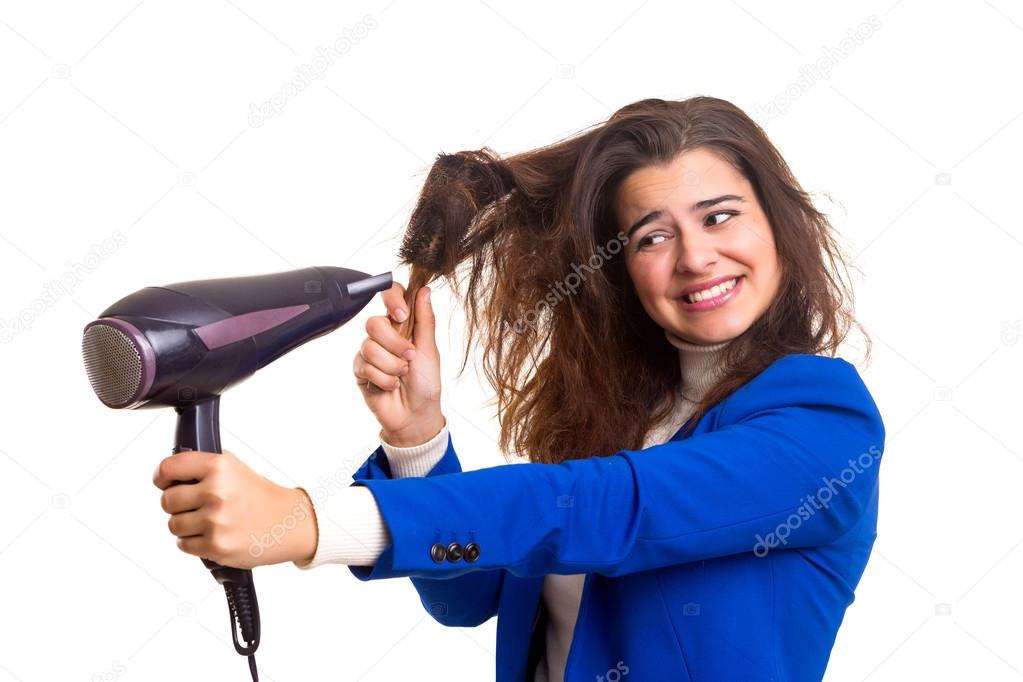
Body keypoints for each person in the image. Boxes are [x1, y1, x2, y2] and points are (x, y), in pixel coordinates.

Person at [152, 96, 885, 681]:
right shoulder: (623, 424)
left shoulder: (822, 425)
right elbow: (467, 597)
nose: (695, 257)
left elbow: (613, 509)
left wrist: (306, 521)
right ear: (619, 269)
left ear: (778, 228)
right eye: (651, 237)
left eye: (720, 216)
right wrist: (416, 441)